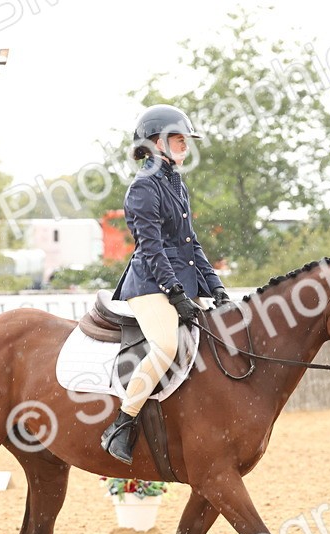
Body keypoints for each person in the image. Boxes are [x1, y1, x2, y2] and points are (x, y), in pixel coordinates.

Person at [101, 104, 234, 465]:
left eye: (185, 140)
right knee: (165, 347)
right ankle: (122, 423)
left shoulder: (175, 183)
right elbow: (152, 247)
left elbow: (191, 245)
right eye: (178, 139)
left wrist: (216, 288)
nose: (185, 145)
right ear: (156, 142)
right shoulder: (144, 187)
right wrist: (175, 293)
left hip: (181, 283)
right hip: (149, 286)